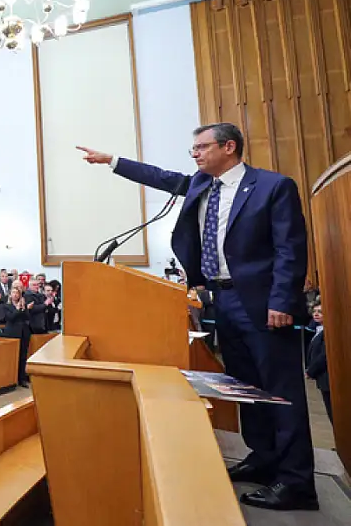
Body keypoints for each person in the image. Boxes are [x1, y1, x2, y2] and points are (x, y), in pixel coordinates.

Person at [79, 122, 316, 510]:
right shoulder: (200, 185)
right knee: (246, 388)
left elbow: (290, 249)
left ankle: (296, 482)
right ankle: (264, 457)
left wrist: (282, 303)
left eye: (201, 147)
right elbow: (160, 177)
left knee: (281, 392)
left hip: (262, 303)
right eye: (193, 149)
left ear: (229, 147)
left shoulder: (273, 187)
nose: (195, 154)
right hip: (221, 302)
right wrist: (112, 161)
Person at [306, 302, 330, 423]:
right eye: (314, 311)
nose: (316, 314)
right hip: (322, 378)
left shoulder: (329, 332)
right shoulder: (317, 330)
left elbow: (324, 355)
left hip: (328, 377)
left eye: (320, 312)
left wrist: (311, 371)